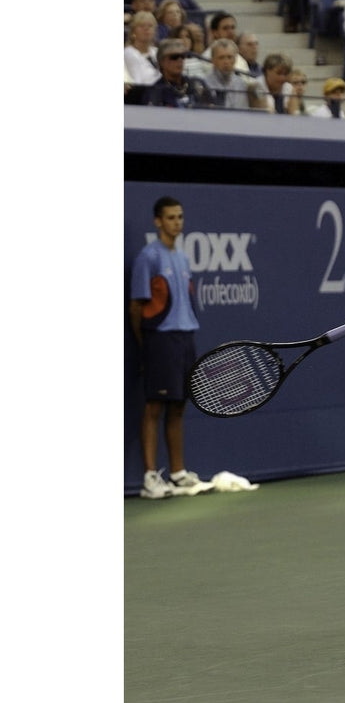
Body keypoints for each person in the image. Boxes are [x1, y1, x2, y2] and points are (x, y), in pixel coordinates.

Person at [129, 196, 214, 499]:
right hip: (160, 339)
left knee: (178, 405)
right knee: (154, 407)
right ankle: (151, 478)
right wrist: (147, 345)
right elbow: (137, 307)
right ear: (158, 222)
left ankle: (177, 473)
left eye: (179, 217)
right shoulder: (148, 257)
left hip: (185, 336)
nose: (177, 222)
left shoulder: (182, 257)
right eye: (170, 218)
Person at [143, 38, 215, 107]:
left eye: (182, 56)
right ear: (162, 62)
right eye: (174, 57)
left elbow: (212, 109)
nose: (180, 60)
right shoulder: (156, 91)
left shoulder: (197, 84)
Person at [203, 38, 250, 109]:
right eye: (221, 58)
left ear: (235, 59)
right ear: (213, 60)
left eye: (229, 57)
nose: (226, 62)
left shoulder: (241, 84)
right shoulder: (205, 84)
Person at [202, 12, 251, 77]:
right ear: (215, 32)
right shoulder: (207, 57)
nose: (230, 32)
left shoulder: (241, 59)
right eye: (225, 28)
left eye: (233, 28)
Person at [124, 11, 161, 86]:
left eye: (150, 26)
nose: (146, 29)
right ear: (133, 31)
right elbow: (137, 83)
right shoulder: (129, 53)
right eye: (141, 26)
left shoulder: (157, 52)